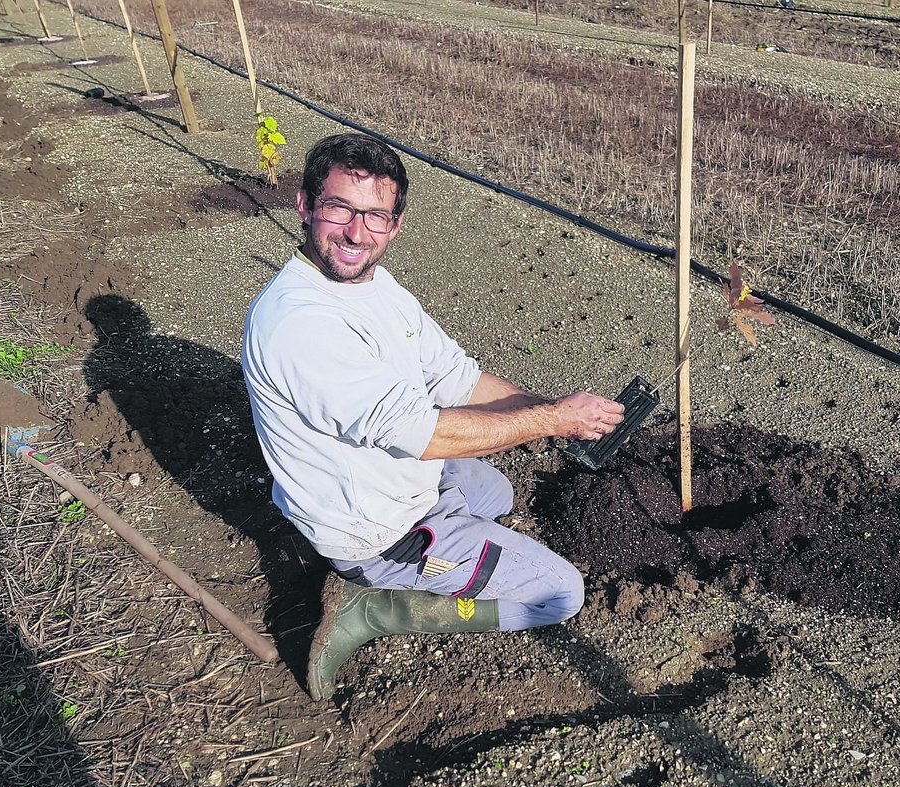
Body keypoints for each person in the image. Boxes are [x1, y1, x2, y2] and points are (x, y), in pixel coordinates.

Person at [241, 133, 624, 701]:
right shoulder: (300, 322)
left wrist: (548, 410)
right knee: (559, 595)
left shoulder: (376, 287)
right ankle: (374, 606)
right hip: (376, 530)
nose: (355, 232)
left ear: (395, 225)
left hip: (397, 480)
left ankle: (451, 551)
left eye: (375, 216)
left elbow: (457, 379)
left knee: (496, 494)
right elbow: (422, 433)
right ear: (304, 204)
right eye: (339, 208)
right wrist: (550, 421)